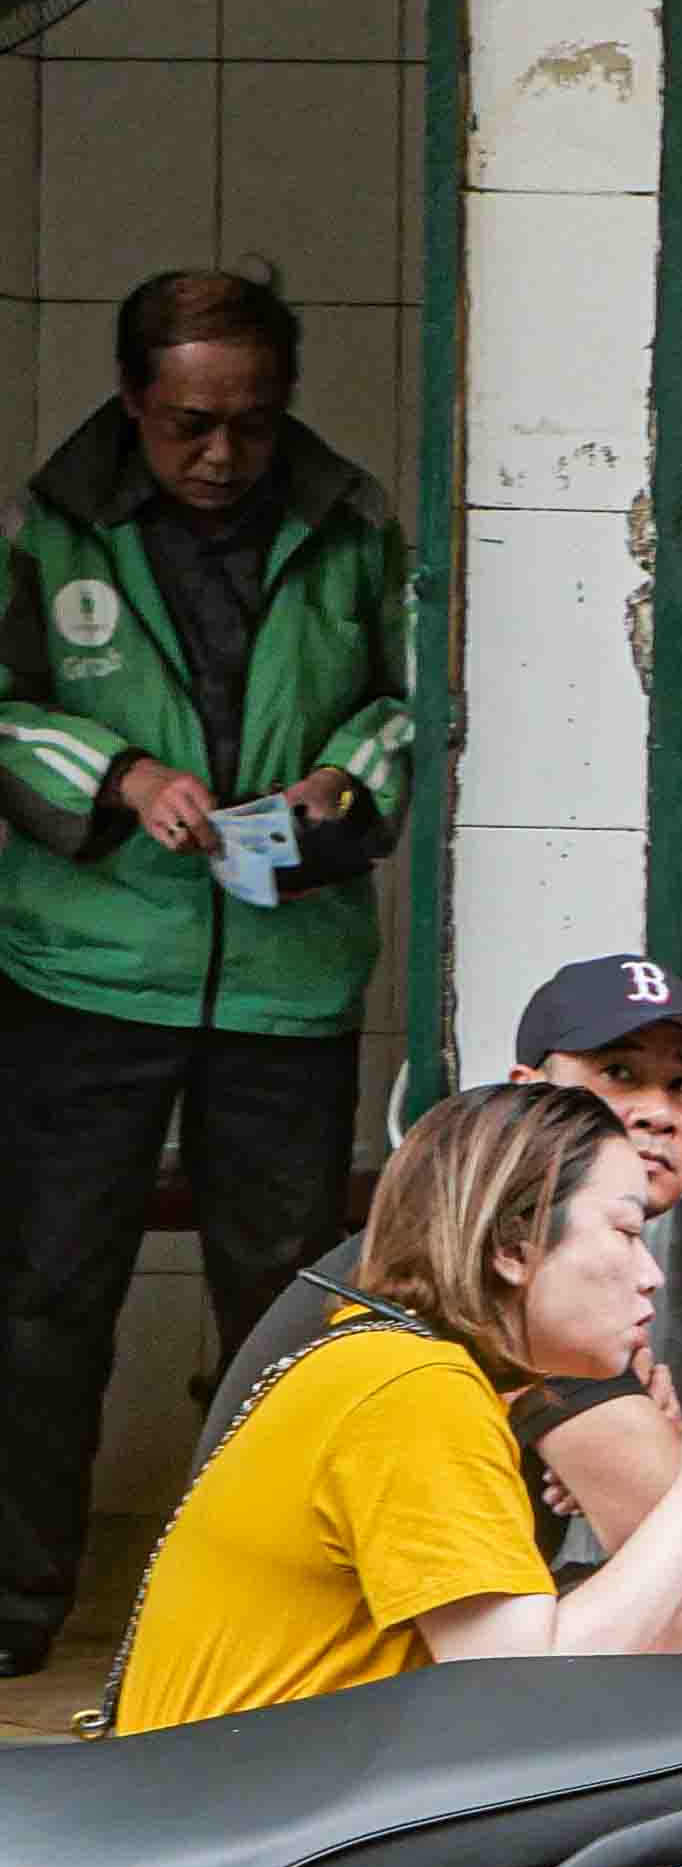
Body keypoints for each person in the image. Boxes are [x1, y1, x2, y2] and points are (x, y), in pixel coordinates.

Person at [0, 269, 418, 1680]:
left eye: (249, 420)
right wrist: (111, 770)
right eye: (188, 425)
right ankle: (16, 1609)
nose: (221, 455)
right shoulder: (47, 525)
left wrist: (339, 785)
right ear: (134, 403)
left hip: (286, 982)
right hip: (84, 969)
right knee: (46, 1296)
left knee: (287, 1312)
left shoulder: (351, 525)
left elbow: (408, 703)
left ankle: (267, 1616)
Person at [108, 1083, 682, 1734]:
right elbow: (516, 1688)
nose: (649, 1276)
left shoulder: (404, 1361)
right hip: (252, 1828)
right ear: (513, 1248)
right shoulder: (411, 1386)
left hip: (279, 1777)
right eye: (624, 1232)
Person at [199, 953, 682, 1648]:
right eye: (618, 1074)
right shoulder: (496, 1273)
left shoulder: (501, 1241)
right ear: (532, 1093)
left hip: (388, 1666)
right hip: (293, 1712)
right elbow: (649, 1521)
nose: (657, 1112)